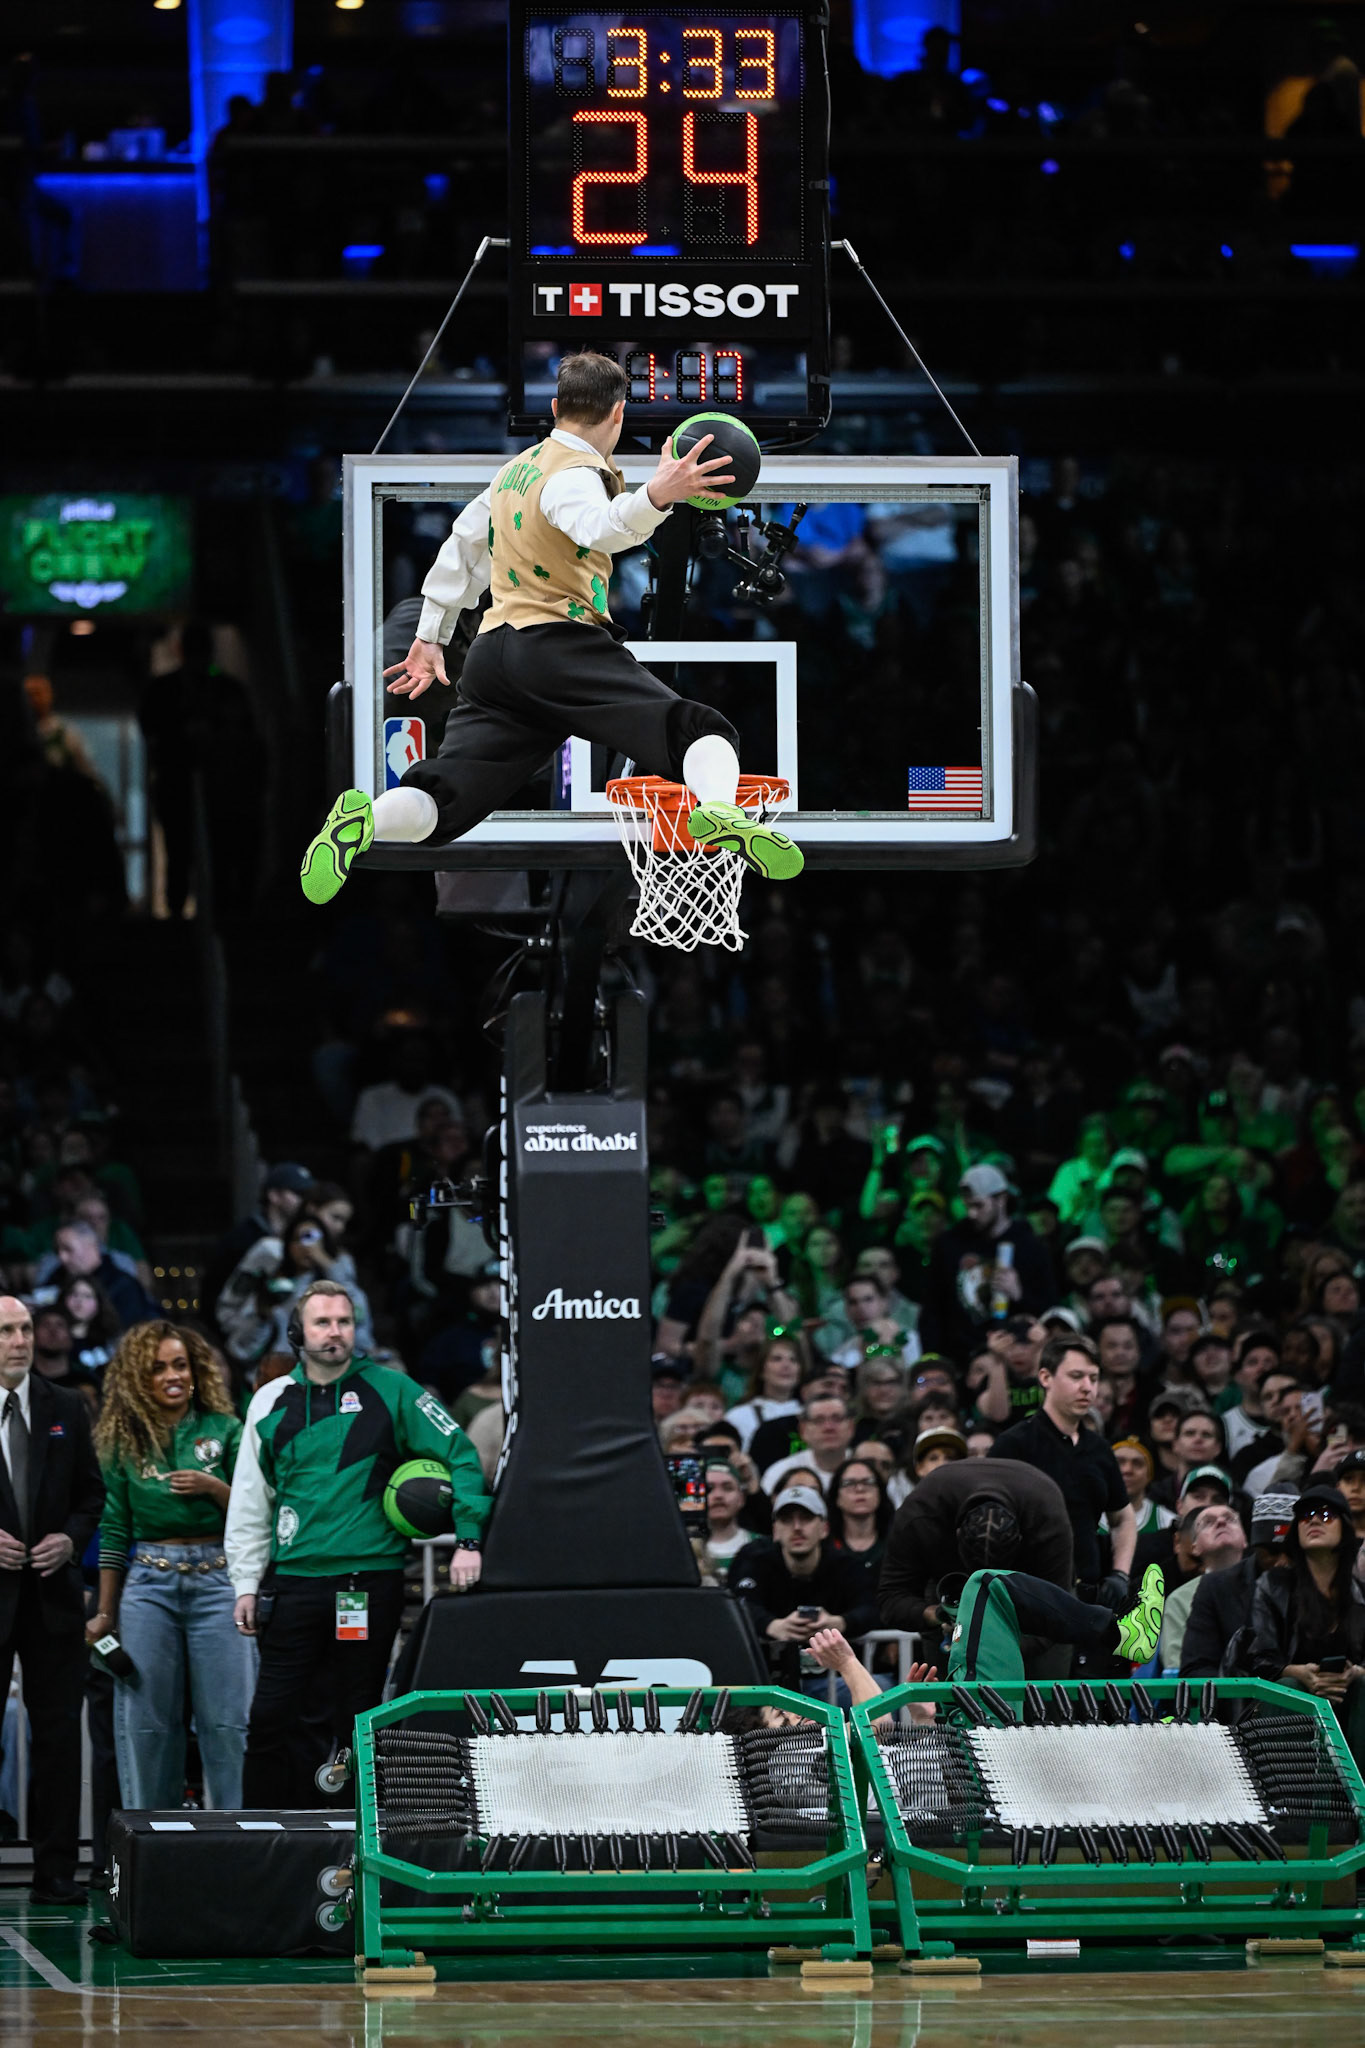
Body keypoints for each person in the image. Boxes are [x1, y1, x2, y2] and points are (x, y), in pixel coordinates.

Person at [302, 351, 803, 899]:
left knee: (448, 801)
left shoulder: (511, 473)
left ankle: (364, 823)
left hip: (493, 657)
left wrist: (430, 638)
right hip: (556, 644)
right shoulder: (574, 475)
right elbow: (599, 527)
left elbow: (461, 551)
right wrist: (660, 493)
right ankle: (722, 813)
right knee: (701, 729)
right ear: (618, 414)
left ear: (556, 405)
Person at [225, 1280, 490, 1806]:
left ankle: (357, 1846)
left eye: (344, 1322)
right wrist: (245, 1583)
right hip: (294, 1582)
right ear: (298, 1331)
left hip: (366, 1584)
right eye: (322, 1322)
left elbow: (461, 1452)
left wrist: (467, 1538)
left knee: (360, 1715)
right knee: (271, 1716)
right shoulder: (271, 1400)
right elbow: (251, 1501)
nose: (335, 1333)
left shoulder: (394, 1390)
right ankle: (257, 1840)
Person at [91, 1321, 256, 1811]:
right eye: (158, 1367)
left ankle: (239, 1845)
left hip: (219, 1578)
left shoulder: (226, 1429)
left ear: (197, 1370)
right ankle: (150, 1845)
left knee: (229, 1722)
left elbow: (254, 1515)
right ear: (136, 1378)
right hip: (148, 1583)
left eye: (180, 1364)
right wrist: (105, 1612)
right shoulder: (123, 1441)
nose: (172, 1375)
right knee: (145, 1724)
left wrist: (214, 1488)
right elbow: (115, 1531)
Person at [0, 1296, 104, 1903]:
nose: (20, 1340)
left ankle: (56, 1872)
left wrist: (70, 1539)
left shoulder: (66, 1405)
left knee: (60, 1740)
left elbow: (93, 1496)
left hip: (53, 1599)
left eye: (25, 1329)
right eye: (8, 1331)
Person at [878, 1454, 1074, 1674]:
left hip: (1032, 1604)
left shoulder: (1046, 1515)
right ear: (957, 1535)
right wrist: (938, 1614)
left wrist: (994, 1648)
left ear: (1021, 1539)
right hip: (948, 1598)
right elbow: (891, 1597)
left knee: (1045, 1697)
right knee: (950, 1701)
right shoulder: (921, 1513)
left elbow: (1058, 1610)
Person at [988, 1332, 1136, 1604]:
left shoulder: (1100, 1449)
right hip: (1030, 1597)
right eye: (1076, 1376)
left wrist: (1120, 1574)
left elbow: (1124, 1518)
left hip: (1090, 1595)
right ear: (1045, 1378)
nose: (1087, 1388)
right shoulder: (1013, 1444)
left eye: (1093, 1378)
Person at [1249, 1485, 1365, 1766]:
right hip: (1286, 1701)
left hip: (1347, 1695)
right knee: (1290, 1688)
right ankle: (1286, 1803)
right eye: (1304, 1516)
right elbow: (1257, 1657)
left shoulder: (1360, 1594)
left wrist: (1355, 1673)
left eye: (1325, 1515)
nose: (1313, 1520)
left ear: (1345, 1528)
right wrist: (1300, 1673)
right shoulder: (1273, 1586)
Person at [729, 1485, 876, 1693]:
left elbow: (872, 1606)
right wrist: (772, 1625)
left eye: (806, 1518)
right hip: (769, 1683)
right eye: (787, 1520)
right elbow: (737, 1604)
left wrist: (840, 1623)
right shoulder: (754, 1558)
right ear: (775, 1531)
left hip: (833, 1680)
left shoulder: (845, 1563)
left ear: (824, 1528)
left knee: (880, 1691)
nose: (797, 1527)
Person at [921, 1163, 1052, 1359]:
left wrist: (1019, 1294)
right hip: (961, 1355)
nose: (972, 1214)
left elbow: (1050, 1309)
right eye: (968, 1206)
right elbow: (933, 1306)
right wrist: (933, 1354)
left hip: (1016, 1356)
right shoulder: (949, 1244)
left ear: (1001, 1199)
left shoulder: (1029, 1246)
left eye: (978, 1205)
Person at [1180, 1492, 1297, 1679]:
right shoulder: (1217, 1587)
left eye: (1290, 1552)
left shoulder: (1320, 1582)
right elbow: (1196, 1669)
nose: (1282, 1561)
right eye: (1272, 1552)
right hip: (1242, 1701)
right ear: (1254, 1547)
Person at [1156, 1500, 1247, 1671]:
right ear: (1195, 1547)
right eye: (1208, 1522)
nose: (1221, 1522)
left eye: (1230, 1519)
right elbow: (1176, 1667)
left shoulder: (1265, 1585)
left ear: (1245, 1539)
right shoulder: (1179, 1599)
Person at [761, 1392, 856, 1494]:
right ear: (803, 1430)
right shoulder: (780, 1472)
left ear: (851, 1427)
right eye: (819, 1420)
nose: (829, 1427)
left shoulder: (865, 1467)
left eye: (837, 1419)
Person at [724, 1336, 805, 1452]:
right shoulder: (738, 1416)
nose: (786, 1365)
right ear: (761, 1370)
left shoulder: (811, 1414)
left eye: (794, 1360)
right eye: (777, 1359)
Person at [1111, 1437, 1175, 1537]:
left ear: (1149, 1475)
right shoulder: (1085, 1517)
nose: (1127, 1470)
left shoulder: (1167, 1522)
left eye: (1137, 1463)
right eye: (1119, 1462)